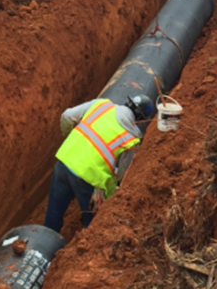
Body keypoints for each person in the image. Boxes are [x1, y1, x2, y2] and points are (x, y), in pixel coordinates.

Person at [43, 94, 154, 234]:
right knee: (93, 225)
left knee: (54, 211)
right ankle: (85, 251)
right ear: (140, 120)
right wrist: (109, 194)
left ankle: (45, 241)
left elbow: (67, 116)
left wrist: (69, 138)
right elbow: (123, 177)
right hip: (88, 178)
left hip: (65, 159)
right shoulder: (131, 139)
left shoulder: (101, 105)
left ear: (128, 103)